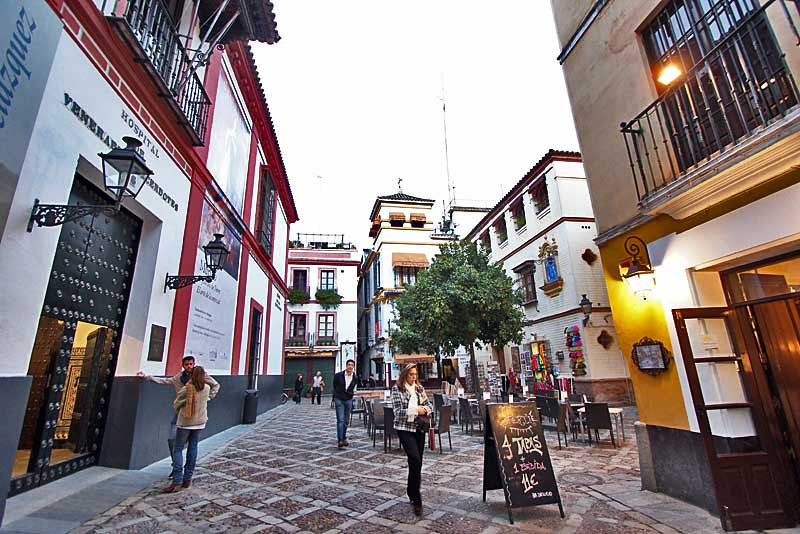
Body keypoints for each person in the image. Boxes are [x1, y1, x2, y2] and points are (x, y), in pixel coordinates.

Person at [137, 355, 219, 480]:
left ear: (194, 364)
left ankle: (181, 474)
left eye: (191, 364)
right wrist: (147, 376)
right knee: (172, 440)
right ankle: (177, 467)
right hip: (182, 414)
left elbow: (215, 385)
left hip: (196, 414)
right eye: (187, 364)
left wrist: (208, 398)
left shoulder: (201, 376)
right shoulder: (178, 378)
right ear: (183, 365)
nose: (189, 366)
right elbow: (164, 381)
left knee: (188, 445)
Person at [391, 363, 433, 517]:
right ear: (404, 375)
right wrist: (416, 410)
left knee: (417, 462)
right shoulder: (397, 390)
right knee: (414, 458)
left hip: (419, 429)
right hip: (404, 429)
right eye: (411, 374)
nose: (413, 377)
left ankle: (411, 490)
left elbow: (430, 406)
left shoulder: (419, 389)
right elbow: (397, 412)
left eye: (415, 374)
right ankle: (417, 499)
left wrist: (424, 409)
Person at [162, 366, 211, 492]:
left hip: (186, 422)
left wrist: (182, 408)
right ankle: (187, 479)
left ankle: (177, 480)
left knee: (178, 449)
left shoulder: (187, 388)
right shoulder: (206, 388)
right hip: (200, 422)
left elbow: (177, 403)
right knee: (193, 448)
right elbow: (211, 392)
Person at [332, 359, 357, 448]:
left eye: (352, 365)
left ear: (353, 367)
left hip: (349, 400)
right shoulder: (338, 376)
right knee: (340, 420)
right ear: (346, 366)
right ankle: (340, 440)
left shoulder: (355, 377)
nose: (350, 366)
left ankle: (344, 437)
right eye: (349, 365)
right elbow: (335, 385)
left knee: (346, 421)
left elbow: (352, 387)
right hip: (339, 399)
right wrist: (336, 396)